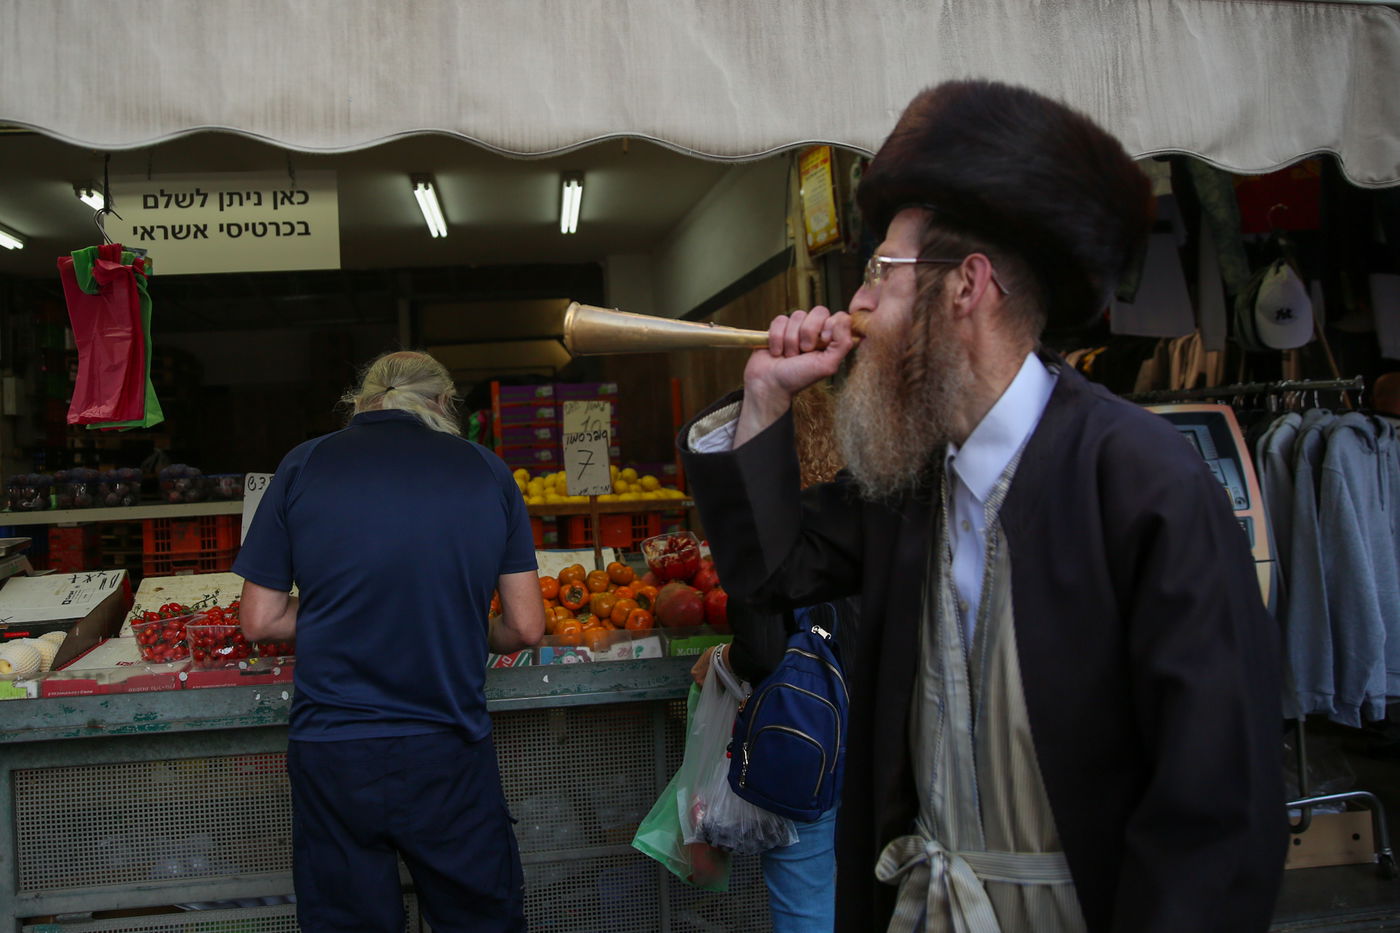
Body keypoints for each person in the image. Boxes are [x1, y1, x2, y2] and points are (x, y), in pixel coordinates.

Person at [679, 80, 1286, 933]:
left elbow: (1217, 812)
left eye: (878, 276)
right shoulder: (912, 483)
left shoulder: (1144, 485)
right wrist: (766, 400)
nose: (853, 306)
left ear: (967, 287)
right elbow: (773, 565)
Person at [236, 350, 545, 933]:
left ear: (363, 399)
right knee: (478, 919)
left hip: (334, 752)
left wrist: (343, 615)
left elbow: (260, 619)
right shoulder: (486, 469)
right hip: (448, 748)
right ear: (445, 403)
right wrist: (456, 621)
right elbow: (526, 627)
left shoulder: (304, 464)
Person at [690, 384, 858, 933]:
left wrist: (721, 658)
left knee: (805, 901)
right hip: (877, 737)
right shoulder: (868, 511)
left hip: (805, 737)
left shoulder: (768, 533)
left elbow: (762, 652)